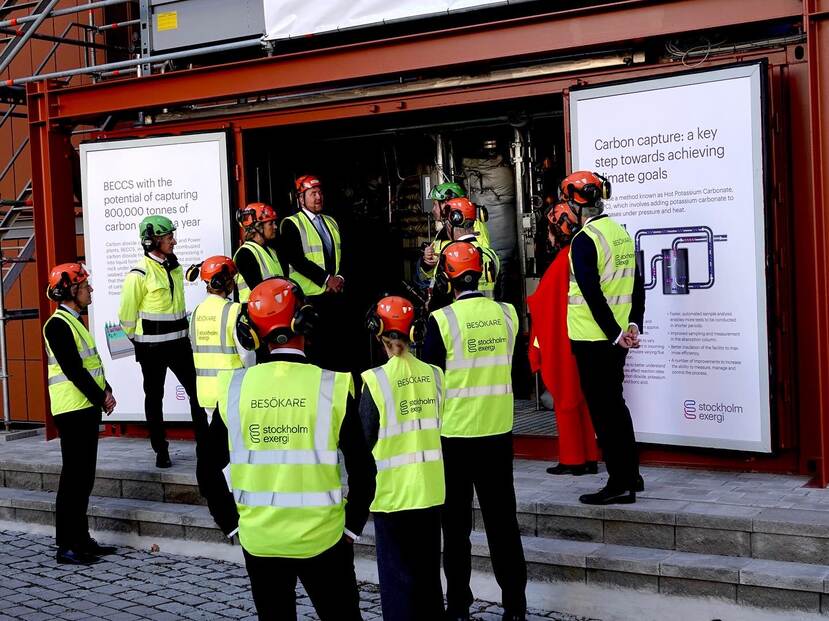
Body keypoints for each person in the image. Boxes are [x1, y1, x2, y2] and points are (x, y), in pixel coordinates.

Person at [210, 277, 375, 620]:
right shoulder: (332, 384)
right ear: (305, 320)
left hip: (260, 541)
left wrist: (234, 525)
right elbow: (363, 469)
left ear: (251, 332)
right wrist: (351, 527)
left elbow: (207, 469)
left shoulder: (233, 389)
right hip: (324, 539)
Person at [423, 241, 527, 621]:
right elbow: (516, 367)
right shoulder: (508, 314)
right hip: (498, 433)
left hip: (454, 438)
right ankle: (515, 607)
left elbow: (429, 381)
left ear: (448, 278)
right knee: (504, 526)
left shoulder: (441, 321)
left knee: (456, 530)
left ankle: (460, 608)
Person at [561, 171, 645, 505]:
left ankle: (619, 482)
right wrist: (633, 324)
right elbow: (637, 284)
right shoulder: (620, 233)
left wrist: (613, 334)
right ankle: (632, 474)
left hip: (594, 340)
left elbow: (591, 294)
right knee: (616, 407)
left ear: (575, 203)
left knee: (605, 413)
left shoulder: (584, 240)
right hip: (617, 339)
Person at [360, 296, 446, 621]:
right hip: (430, 492)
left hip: (393, 498)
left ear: (378, 333)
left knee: (398, 586)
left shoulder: (376, 381)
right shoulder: (435, 375)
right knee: (428, 580)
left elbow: (363, 441)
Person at [43, 263, 118, 565]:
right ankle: (67, 545)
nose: (91, 290)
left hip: (84, 407)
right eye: (86, 286)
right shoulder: (58, 324)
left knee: (83, 477)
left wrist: (106, 389)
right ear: (72, 290)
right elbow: (73, 370)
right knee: (73, 478)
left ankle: (81, 538)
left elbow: (90, 365)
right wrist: (101, 396)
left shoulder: (74, 321)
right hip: (72, 409)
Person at [118, 215, 207, 468]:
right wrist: (139, 341)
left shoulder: (175, 267)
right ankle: (161, 450)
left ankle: (204, 446)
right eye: (169, 238)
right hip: (152, 349)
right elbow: (126, 316)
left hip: (179, 345)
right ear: (153, 240)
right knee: (154, 398)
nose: (174, 241)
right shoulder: (138, 274)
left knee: (197, 394)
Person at [527, 202, 600, 476]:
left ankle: (573, 459)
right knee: (583, 401)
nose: (548, 236)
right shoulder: (580, 253)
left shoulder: (562, 260)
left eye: (550, 230)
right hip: (585, 336)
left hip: (565, 340)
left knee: (566, 400)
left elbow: (544, 304)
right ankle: (590, 456)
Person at [280, 175, 345, 370]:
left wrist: (339, 278)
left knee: (335, 352)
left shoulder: (331, 222)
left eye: (320, 192)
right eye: (312, 193)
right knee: (316, 355)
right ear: (301, 198)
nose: (318, 197)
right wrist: (326, 279)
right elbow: (296, 259)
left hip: (333, 297)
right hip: (308, 300)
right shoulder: (291, 223)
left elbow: (343, 253)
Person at [233, 202, 283, 303]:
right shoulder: (245, 254)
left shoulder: (271, 251)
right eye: (271, 223)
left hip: (273, 310)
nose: (275, 227)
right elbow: (258, 290)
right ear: (258, 227)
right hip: (256, 313)